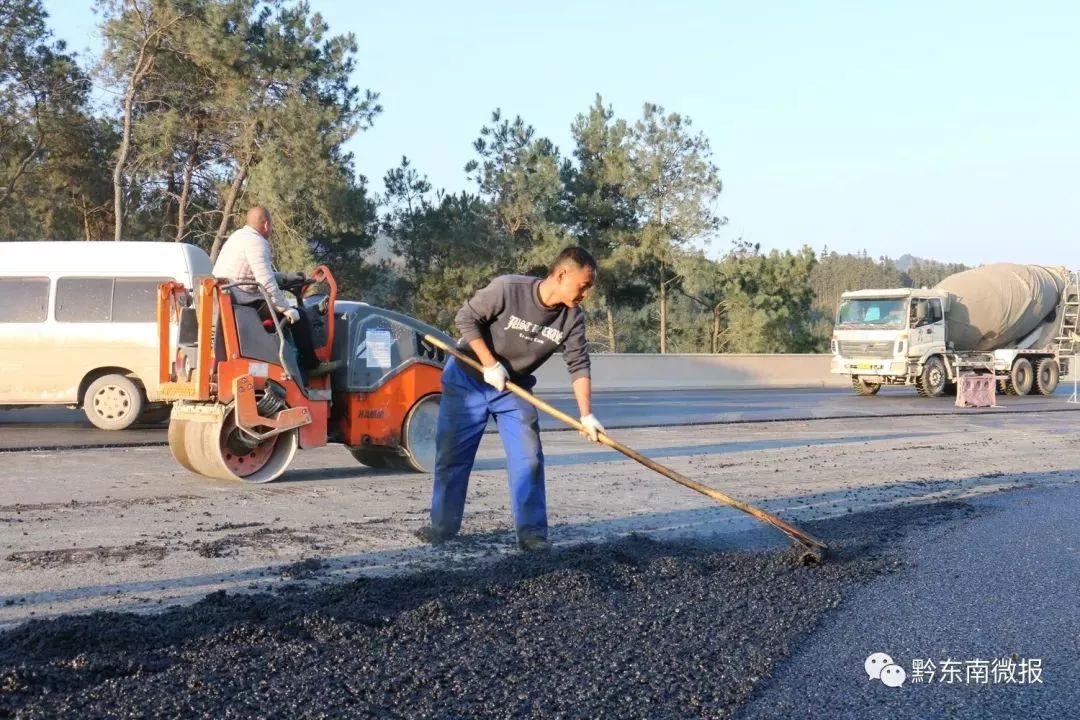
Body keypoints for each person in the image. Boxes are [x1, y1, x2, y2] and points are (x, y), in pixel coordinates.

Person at [419, 246, 606, 552]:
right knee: (453, 458)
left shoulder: (572, 318)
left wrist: (586, 415)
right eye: (583, 286)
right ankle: (443, 531)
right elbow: (465, 318)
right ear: (562, 275)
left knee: (528, 458)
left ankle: (532, 535)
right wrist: (490, 364)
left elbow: (579, 364)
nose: (585, 294)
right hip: (468, 378)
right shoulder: (509, 288)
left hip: (513, 389)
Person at [212, 206, 338, 379]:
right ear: (265, 224)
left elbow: (257, 273)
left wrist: (287, 277)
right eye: (271, 226)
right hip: (244, 301)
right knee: (299, 316)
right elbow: (266, 281)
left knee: (290, 312)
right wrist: (284, 308)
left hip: (232, 298)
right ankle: (311, 366)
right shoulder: (257, 243)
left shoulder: (238, 238)